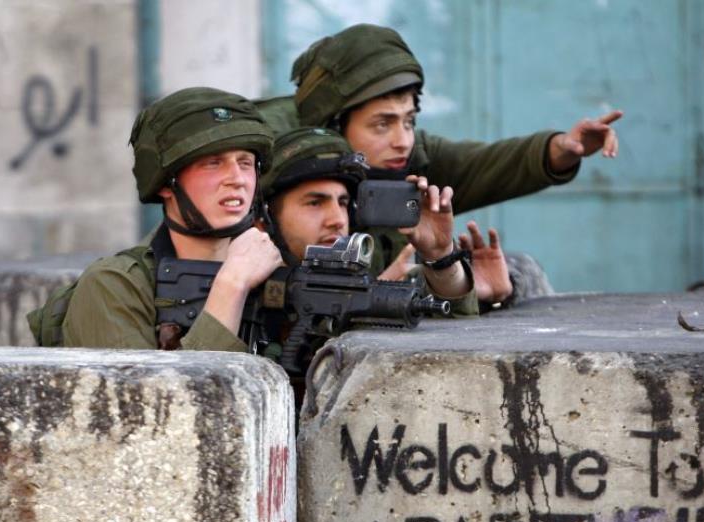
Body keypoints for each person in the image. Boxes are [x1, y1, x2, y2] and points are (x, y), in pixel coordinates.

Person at [255, 23, 622, 303]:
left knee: (519, 272)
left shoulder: (411, 158)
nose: (403, 139)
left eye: (409, 120)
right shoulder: (275, 163)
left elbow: (487, 164)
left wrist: (562, 148)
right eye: (382, 124)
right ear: (334, 124)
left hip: (385, 302)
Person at [60, 87, 283, 350]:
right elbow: (156, 392)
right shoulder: (113, 286)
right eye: (213, 162)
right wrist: (231, 286)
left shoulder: (275, 271)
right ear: (167, 184)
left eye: (245, 163)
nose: (236, 179)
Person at [257, 126, 477, 315]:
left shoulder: (370, 270)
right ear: (267, 218)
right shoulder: (243, 287)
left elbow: (452, 334)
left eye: (343, 203)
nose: (337, 220)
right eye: (315, 203)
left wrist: (440, 256)